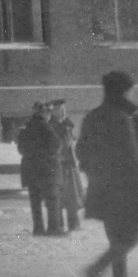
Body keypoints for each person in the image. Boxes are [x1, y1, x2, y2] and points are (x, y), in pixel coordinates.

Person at [76, 71, 138, 277]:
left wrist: (95, 176)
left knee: (117, 237)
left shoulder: (93, 116)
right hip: (125, 189)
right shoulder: (121, 118)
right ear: (123, 91)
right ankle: (97, 270)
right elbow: (132, 158)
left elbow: (81, 152)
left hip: (102, 188)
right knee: (129, 237)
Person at [15, 101, 66, 236]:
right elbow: (57, 144)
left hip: (30, 170)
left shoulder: (26, 128)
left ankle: (38, 228)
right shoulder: (45, 127)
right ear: (44, 113)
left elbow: (20, 148)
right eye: (48, 112)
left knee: (35, 202)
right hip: (47, 170)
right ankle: (54, 228)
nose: (49, 115)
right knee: (52, 200)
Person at [52, 99, 84, 233]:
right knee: (59, 197)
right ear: (53, 112)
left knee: (73, 196)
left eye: (64, 109)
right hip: (59, 166)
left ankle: (74, 224)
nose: (63, 112)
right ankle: (58, 225)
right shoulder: (51, 127)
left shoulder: (67, 125)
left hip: (70, 165)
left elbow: (70, 143)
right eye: (60, 110)